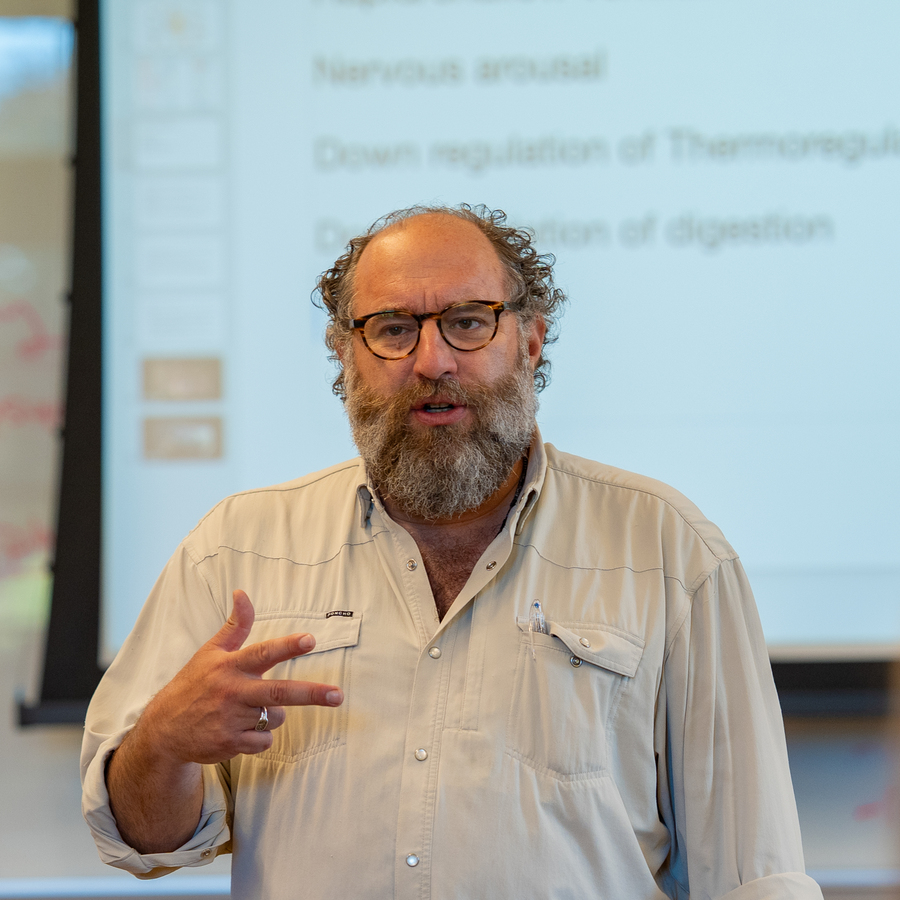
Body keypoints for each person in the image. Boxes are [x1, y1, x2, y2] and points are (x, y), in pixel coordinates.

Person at [82, 204, 823, 899]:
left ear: (530, 341)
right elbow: (144, 840)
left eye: (469, 322)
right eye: (394, 329)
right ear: (345, 354)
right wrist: (164, 743)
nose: (433, 360)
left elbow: (754, 875)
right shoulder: (236, 549)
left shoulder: (667, 553)